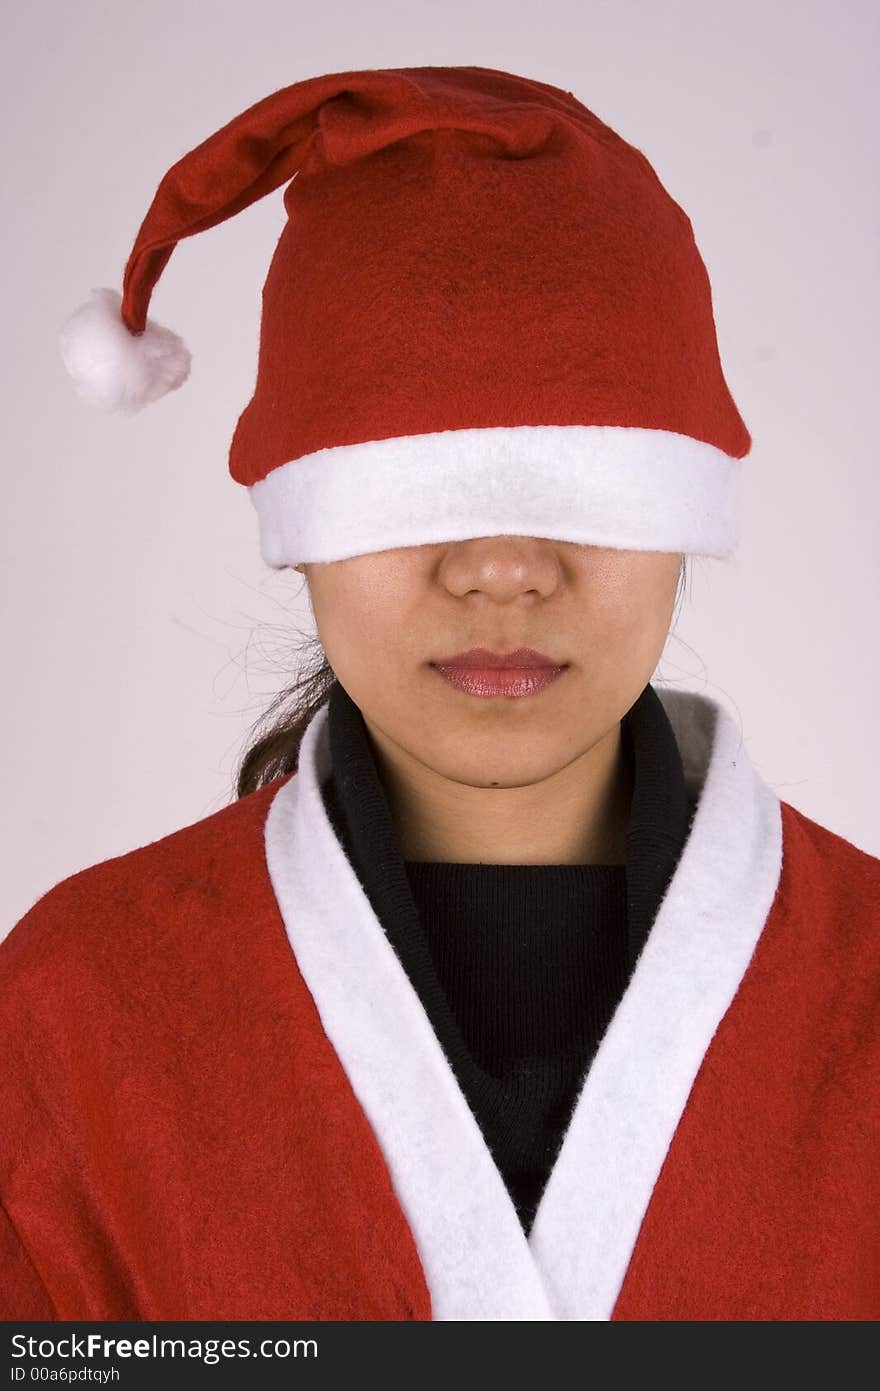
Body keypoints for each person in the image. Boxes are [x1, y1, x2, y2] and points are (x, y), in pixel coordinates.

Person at [2, 64, 878, 1323]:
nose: (503, 569)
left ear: (685, 517)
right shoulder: (70, 1011)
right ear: (300, 521)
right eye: (413, 490)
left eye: (586, 486)